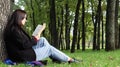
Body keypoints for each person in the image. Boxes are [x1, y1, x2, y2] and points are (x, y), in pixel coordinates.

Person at [3, 9, 80, 64]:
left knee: (42, 39)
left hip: (24, 51)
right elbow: (25, 45)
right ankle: (69, 59)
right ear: (19, 18)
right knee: (49, 49)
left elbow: (23, 43)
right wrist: (35, 38)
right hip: (22, 56)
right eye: (25, 18)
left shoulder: (16, 28)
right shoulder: (14, 30)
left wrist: (35, 38)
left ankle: (56, 57)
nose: (26, 20)